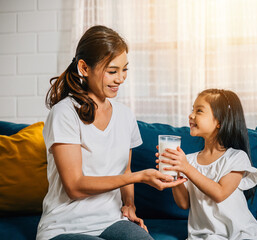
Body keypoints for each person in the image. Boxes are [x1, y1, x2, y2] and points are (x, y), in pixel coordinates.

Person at [36, 25, 186, 240]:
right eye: (112, 71)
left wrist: (129, 205)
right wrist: (141, 176)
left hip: (111, 221)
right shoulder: (64, 113)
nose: (120, 79)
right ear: (84, 68)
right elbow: (75, 187)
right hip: (65, 226)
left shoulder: (125, 115)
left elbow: (124, 169)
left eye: (125, 69)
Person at [157, 89, 257, 240]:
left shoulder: (236, 157)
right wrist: (174, 174)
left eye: (199, 110)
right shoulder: (189, 160)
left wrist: (186, 168)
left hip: (239, 234)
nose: (191, 115)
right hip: (204, 235)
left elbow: (220, 193)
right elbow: (183, 204)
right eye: (192, 109)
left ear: (220, 122)